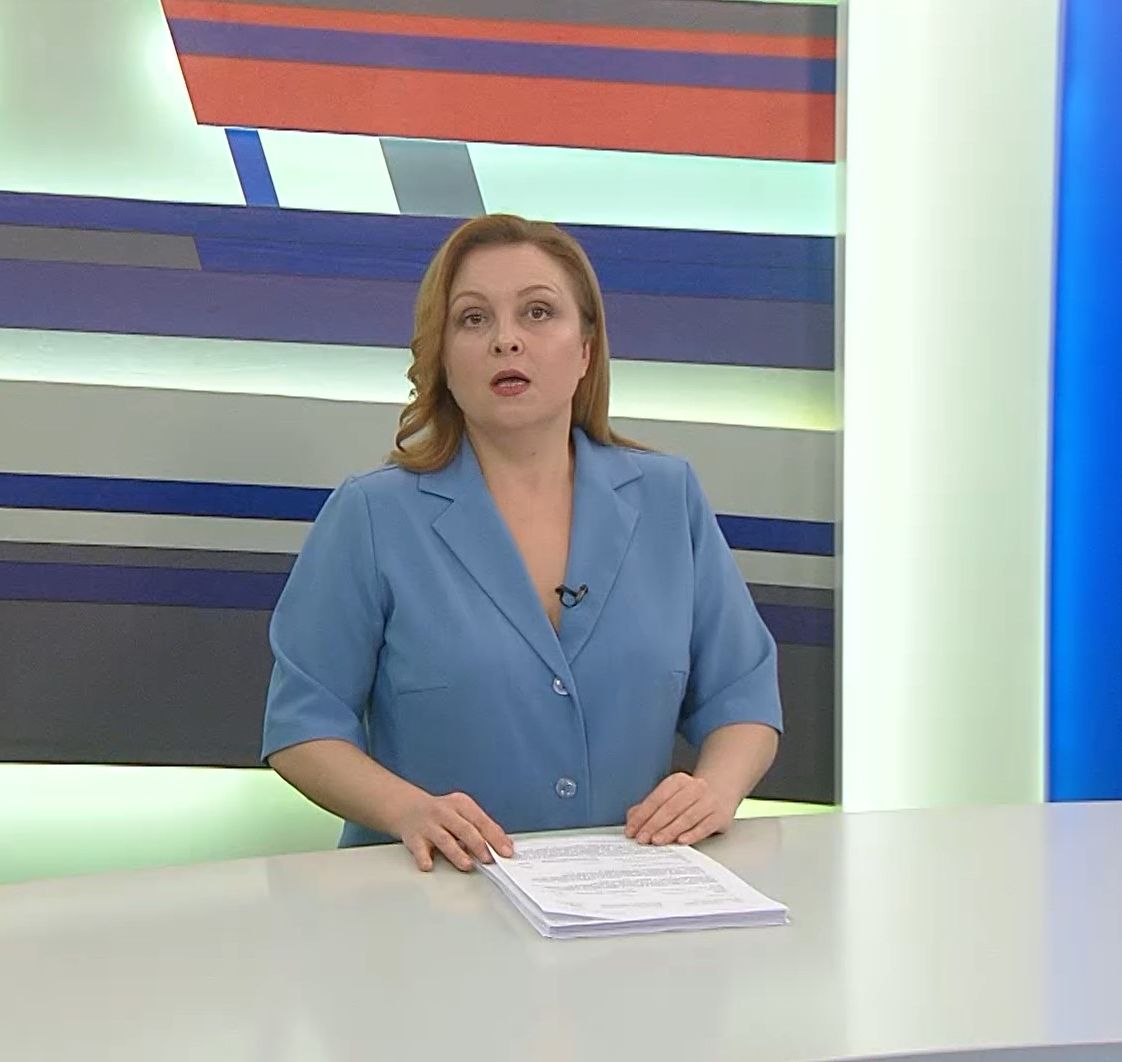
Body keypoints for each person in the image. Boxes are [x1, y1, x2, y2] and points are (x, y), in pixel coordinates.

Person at [262, 213, 783, 873]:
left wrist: (715, 789)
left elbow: (742, 695)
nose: (505, 340)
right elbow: (303, 726)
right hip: (432, 896)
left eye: (538, 313)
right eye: (473, 319)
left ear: (586, 349)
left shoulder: (667, 498)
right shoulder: (371, 515)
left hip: (627, 891)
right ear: (441, 355)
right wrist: (407, 810)